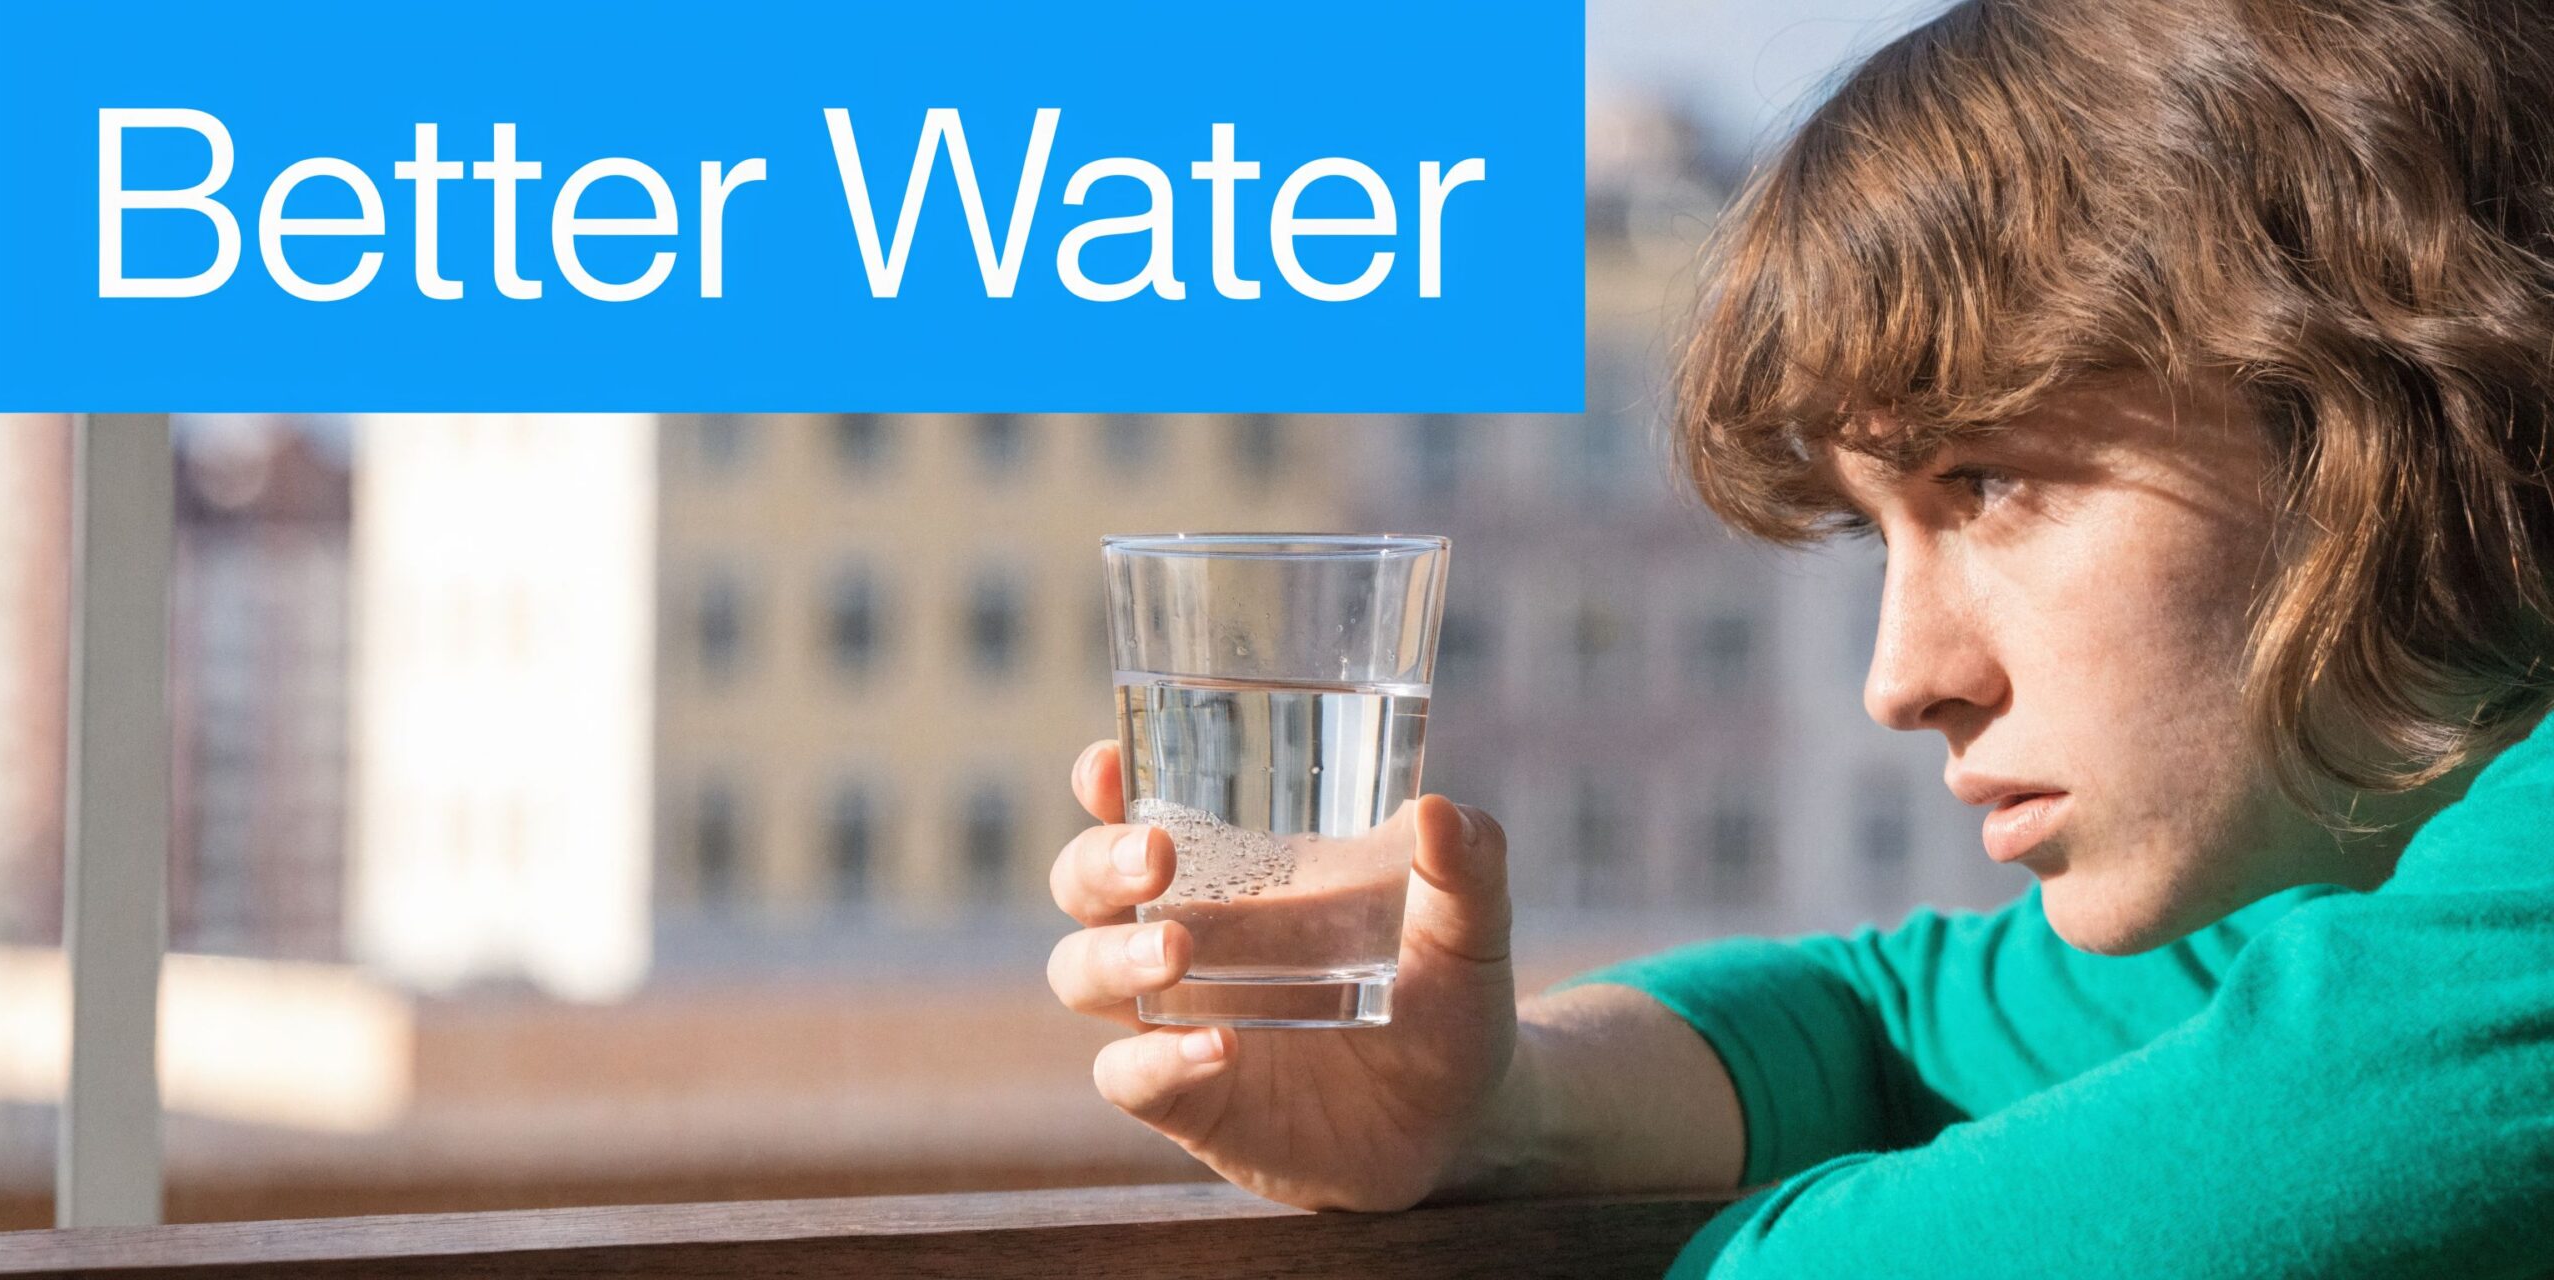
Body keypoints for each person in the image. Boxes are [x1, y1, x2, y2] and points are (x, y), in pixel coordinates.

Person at [1043, 0, 2554, 1273]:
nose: (1903, 679)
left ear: (2389, 402)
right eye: (1879, 526)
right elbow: (1890, 1029)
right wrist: (1494, 1098)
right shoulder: (2386, 848)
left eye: (1992, 481)